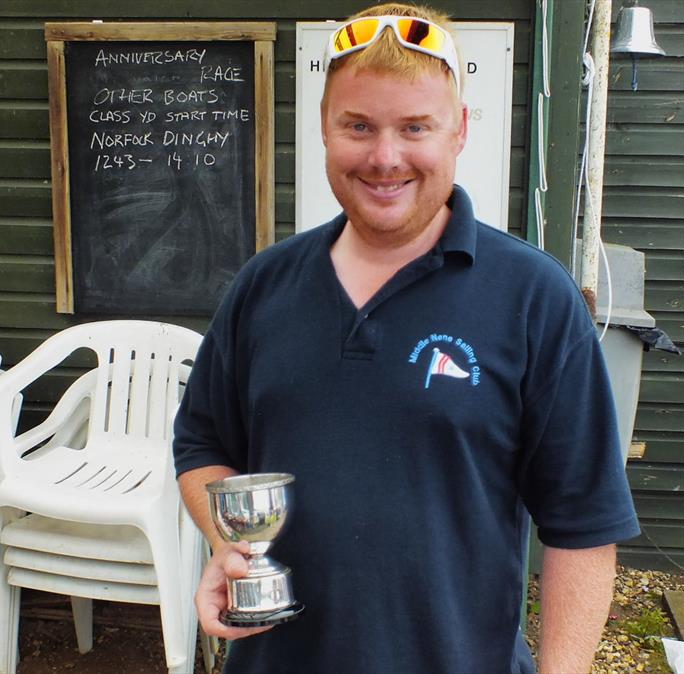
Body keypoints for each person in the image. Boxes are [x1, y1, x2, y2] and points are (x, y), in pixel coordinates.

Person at [173, 3, 640, 672]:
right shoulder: (263, 287)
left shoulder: (535, 300)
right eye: (358, 126)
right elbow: (203, 442)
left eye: (414, 127)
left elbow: (584, 527)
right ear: (325, 131)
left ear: (459, 132)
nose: (385, 157)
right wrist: (231, 544)